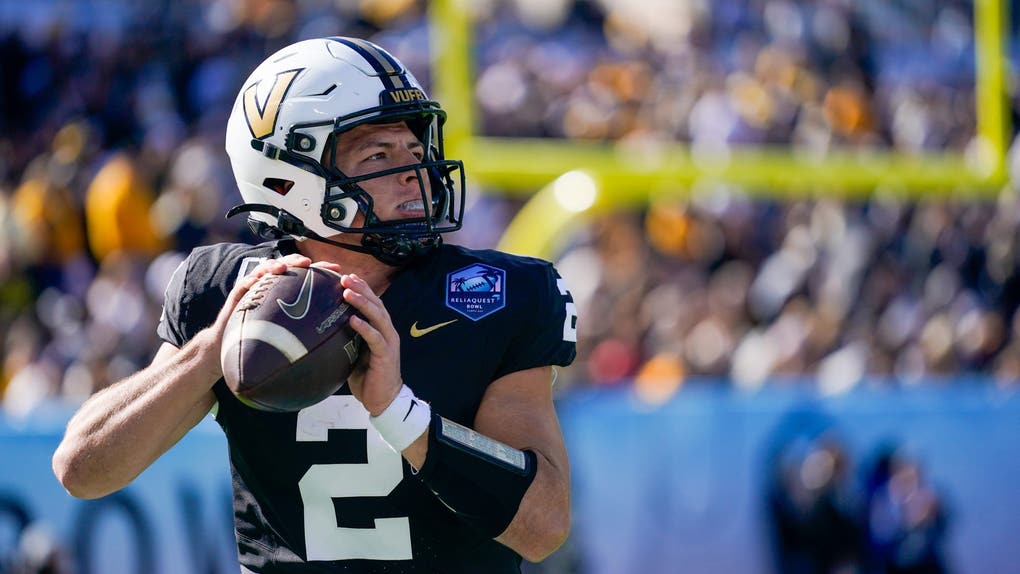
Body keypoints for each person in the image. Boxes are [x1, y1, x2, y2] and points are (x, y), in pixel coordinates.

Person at [52, 37, 578, 573]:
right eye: (378, 154)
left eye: (415, 152)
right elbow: (82, 470)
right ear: (287, 178)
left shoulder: (499, 291)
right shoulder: (227, 288)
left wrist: (399, 413)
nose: (413, 172)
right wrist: (212, 348)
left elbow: (543, 527)